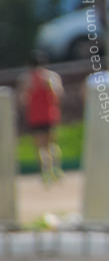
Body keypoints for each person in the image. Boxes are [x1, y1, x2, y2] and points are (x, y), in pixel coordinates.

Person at [17, 50, 65, 183]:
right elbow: (59, 94)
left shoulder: (26, 78)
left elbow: (22, 99)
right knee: (52, 145)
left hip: (36, 116)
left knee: (40, 147)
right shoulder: (52, 76)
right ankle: (56, 169)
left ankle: (45, 172)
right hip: (50, 114)